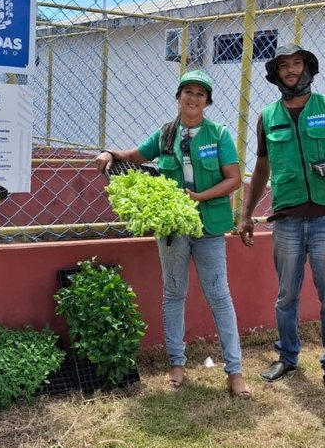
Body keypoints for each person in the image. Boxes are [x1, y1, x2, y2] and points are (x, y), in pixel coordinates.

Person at [95, 70, 251, 400]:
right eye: (187, 92)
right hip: (173, 230)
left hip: (208, 228)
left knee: (219, 296)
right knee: (174, 293)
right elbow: (135, 156)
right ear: (179, 96)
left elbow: (233, 179)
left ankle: (234, 371)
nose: (193, 98)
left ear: (207, 101)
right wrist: (110, 153)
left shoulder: (219, 135)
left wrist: (199, 198)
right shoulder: (166, 134)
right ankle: (177, 365)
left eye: (200, 94)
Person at [238, 44, 325, 396]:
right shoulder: (267, 117)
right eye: (284, 65)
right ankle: (287, 357)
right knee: (286, 296)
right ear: (276, 74)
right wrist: (246, 214)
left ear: (308, 68)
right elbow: (261, 168)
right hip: (286, 219)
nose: (291, 70)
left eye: (297, 63)